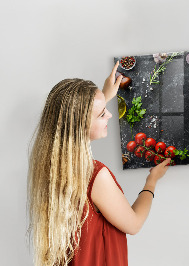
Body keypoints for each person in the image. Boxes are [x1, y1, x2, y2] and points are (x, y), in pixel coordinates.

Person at [27, 62, 171, 266]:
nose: (110, 115)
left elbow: (76, 117)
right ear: (81, 124)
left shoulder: (50, 164)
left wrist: (104, 96)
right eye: (102, 113)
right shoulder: (95, 175)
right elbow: (134, 224)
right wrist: (151, 181)